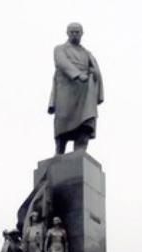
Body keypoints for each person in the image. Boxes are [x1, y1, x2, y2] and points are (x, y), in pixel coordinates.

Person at [48, 22, 104, 155]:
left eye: (77, 32)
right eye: (72, 32)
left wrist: (92, 72)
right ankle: (59, 151)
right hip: (66, 89)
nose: (74, 34)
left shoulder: (87, 53)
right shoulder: (60, 49)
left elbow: (95, 69)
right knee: (63, 120)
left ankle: (80, 150)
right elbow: (62, 62)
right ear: (67, 33)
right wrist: (78, 75)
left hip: (85, 92)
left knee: (86, 121)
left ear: (82, 34)